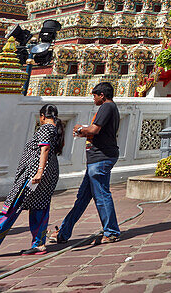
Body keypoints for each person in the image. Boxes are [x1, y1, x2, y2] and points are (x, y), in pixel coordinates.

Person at [0, 105, 63, 256]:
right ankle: (38, 244)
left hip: (34, 174)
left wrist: (39, 171)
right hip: (49, 173)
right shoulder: (55, 129)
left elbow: (44, 149)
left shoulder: (46, 128)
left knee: (13, 205)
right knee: (40, 206)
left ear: (42, 116)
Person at [49, 82, 120, 244]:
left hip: (101, 157)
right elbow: (97, 132)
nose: (93, 98)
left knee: (101, 195)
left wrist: (81, 129)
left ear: (102, 95)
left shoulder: (107, 107)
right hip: (97, 158)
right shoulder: (109, 108)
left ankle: (112, 231)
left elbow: (94, 130)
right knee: (82, 198)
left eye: (94, 95)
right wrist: (84, 132)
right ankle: (64, 233)